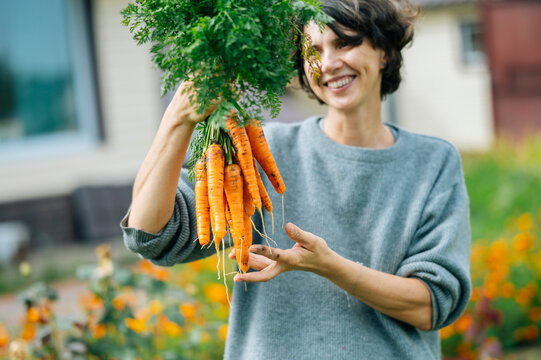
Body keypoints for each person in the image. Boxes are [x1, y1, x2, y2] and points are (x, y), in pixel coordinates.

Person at [121, 0, 472, 358]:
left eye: (345, 43)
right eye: (313, 50)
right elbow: (152, 235)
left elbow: (431, 305)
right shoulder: (263, 152)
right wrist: (179, 118)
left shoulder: (431, 163)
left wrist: (329, 266)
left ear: (383, 51)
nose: (329, 63)